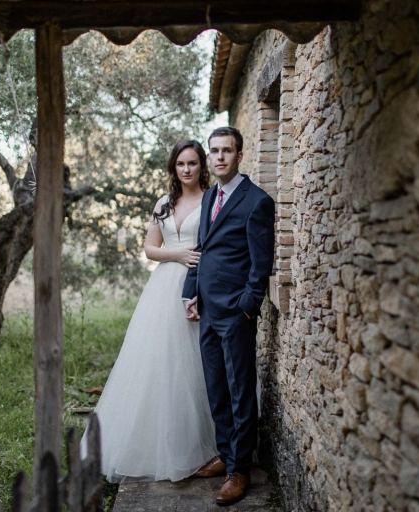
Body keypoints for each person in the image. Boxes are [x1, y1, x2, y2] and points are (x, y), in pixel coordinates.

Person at [80, 140, 217, 483]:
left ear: (202, 166)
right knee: (160, 361)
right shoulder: (164, 204)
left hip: (201, 284)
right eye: (181, 164)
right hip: (164, 287)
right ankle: (154, 444)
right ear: (174, 168)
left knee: (199, 365)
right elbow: (149, 248)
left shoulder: (213, 200)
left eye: (193, 163)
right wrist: (178, 254)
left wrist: (194, 262)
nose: (187, 169)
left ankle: (209, 446)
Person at [183, 127, 275, 505]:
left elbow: (261, 263)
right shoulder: (209, 198)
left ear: (239, 155)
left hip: (236, 313)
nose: (220, 157)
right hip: (206, 308)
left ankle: (240, 470)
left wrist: (247, 307)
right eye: (215, 151)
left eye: (227, 151)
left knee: (240, 390)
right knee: (216, 387)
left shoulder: (257, 201)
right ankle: (226, 453)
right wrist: (191, 291)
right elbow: (202, 247)